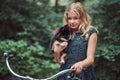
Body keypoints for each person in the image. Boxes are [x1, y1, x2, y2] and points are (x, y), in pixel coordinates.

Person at [50, 2, 98, 80]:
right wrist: (56, 52)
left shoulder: (91, 32)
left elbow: (91, 58)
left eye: (75, 18)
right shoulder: (64, 32)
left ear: (82, 17)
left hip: (84, 73)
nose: (72, 22)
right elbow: (59, 61)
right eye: (69, 18)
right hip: (65, 73)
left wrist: (81, 64)